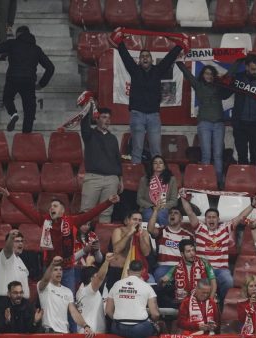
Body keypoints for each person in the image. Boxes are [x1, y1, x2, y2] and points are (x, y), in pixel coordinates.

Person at [0, 187, 118, 291]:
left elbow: (91, 214)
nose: (51, 208)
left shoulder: (71, 222)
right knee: (47, 299)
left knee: (69, 300)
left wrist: (108, 202)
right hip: (49, 267)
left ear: (62, 211)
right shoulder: (45, 221)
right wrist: (10, 197)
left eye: (55, 206)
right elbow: (27, 211)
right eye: (50, 206)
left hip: (67, 268)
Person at [112, 29, 184, 163]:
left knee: (156, 151)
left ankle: (157, 180)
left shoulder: (158, 71)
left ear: (151, 60)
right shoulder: (134, 70)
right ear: (139, 60)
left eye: (147, 56)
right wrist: (120, 41)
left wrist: (180, 45)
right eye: (142, 56)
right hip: (137, 115)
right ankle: (134, 179)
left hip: (154, 116)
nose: (145, 57)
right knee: (137, 150)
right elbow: (125, 56)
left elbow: (169, 58)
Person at [182, 196, 255, 304]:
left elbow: (240, 217)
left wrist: (252, 205)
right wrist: (183, 198)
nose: (211, 219)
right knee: (196, 283)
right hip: (204, 270)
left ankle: (220, 303)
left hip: (221, 270)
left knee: (228, 281)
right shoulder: (200, 229)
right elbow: (190, 212)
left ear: (218, 219)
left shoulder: (224, 229)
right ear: (205, 219)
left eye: (214, 217)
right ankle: (201, 305)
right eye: (209, 217)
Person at [0, 26, 54, 132]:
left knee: (7, 98)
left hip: (13, 78)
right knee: (29, 110)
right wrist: (41, 84)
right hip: (29, 81)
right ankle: (26, 137)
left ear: (18, 34)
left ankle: (13, 114)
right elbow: (50, 68)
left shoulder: (12, 43)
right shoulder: (36, 49)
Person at [176, 63, 232, 187]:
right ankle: (206, 181)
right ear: (202, 75)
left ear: (214, 76)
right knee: (206, 154)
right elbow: (188, 75)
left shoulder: (219, 86)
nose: (209, 75)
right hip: (204, 124)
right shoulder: (198, 85)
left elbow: (230, 78)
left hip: (218, 124)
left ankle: (218, 182)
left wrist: (239, 61)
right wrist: (179, 62)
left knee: (218, 154)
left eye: (211, 73)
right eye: (206, 73)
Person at [81, 106, 122, 223]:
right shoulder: (89, 134)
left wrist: (120, 179)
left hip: (112, 179)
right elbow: (84, 123)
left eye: (109, 118)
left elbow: (117, 159)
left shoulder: (113, 138)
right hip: (93, 177)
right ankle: (83, 240)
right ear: (97, 119)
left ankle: (103, 240)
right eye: (104, 117)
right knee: (86, 212)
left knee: (107, 212)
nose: (107, 120)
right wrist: (88, 107)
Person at [38, 256, 94, 337]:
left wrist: (85, 326)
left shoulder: (68, 292)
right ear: (50, 272)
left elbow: (74, 312)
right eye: (55, 270)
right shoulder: (43, 287)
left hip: (65, 334)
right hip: (49, 333)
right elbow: (45, 280)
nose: (59, 272)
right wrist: (52, 264)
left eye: (61, 270)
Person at [105, 260, 160, 338]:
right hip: (140, 329)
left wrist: (119, 321)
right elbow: (155, 314)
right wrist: (152, 321)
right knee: (158, 327)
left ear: (128, 271)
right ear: (142, 271)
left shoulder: (116, 284)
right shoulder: (147, 287)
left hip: (117, 328)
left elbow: (108, 311)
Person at [160, 239, 216, 309]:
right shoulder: (176, 268)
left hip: (202, 300)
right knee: (160, 292)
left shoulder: (205, 263)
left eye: (193, 250)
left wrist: (210, 300)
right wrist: (162, 281)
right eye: (188, 251)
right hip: (183, 303)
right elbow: (163, 282)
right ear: (182, 254)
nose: (192, 253)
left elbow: (213, 283)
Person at [0, 229, 31, 331]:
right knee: (7, 336)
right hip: (7, 302)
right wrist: (10, 237)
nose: (20, 243)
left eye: (22, 241)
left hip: (20, 303)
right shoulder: (5, 256)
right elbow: (7, 249)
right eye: (16, 241)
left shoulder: (20, 261)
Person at [148, 204, 193, 283]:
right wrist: (155, 211)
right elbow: (150, 229)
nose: (172, 214)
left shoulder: (188, 235)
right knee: (159, 274)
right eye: (170, 213)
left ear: (181, 219)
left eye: (176, 213)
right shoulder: (162, 230)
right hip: (164, 266)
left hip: (182, 266)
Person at [109, 210, 153, 288]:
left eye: (140, 220)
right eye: (134, 219)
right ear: (127, 221)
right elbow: (116, 250)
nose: (137, 222)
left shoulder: (144, 233)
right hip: (118, 270)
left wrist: (140, 236)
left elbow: (146, 253)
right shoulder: (119, 231)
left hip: (137, 271)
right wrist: (129, 234)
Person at [75, 253, 114, 334]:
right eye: (96, 276)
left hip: (86, 332)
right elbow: (100, 277)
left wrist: (88, 263)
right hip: (91, 333)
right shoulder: (89, 290)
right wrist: (106, 261)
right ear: (92, 278)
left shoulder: (81, 290)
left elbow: (86, 272)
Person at [138, 156, 179, 228]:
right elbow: (139, 199)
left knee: (161, 214)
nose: (158, 165)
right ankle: (148, 237)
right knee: (148, 215)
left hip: (165, 207)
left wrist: (163, 206)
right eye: (155, 163)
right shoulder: (144, 179)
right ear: (151, 165)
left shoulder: (171, 179)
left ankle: (163, 236)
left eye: (160, 163)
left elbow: (174, 200)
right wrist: (152, 207)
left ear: (164, 166)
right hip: (149, 207)